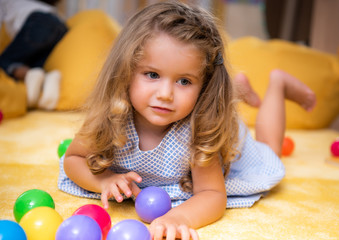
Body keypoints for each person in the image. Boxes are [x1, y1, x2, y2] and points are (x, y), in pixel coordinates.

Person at [58, 2, 316, 239]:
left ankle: (277, 84)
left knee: (270, 152)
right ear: (125, 70)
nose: (165, 94)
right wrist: (102, 179)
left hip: (224, 135)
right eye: (152, 74)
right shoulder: (112, 115)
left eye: (184, 81)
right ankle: (237, 88)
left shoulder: (198, 132)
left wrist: (178, 217)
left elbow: (213, 195)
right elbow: (73, 159)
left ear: (204, 86)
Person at [0, 0, 67, 110]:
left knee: (4, 63)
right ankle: (47, 78)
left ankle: (29, 75)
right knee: (35, 66)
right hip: (60, 25)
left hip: (39, 23)